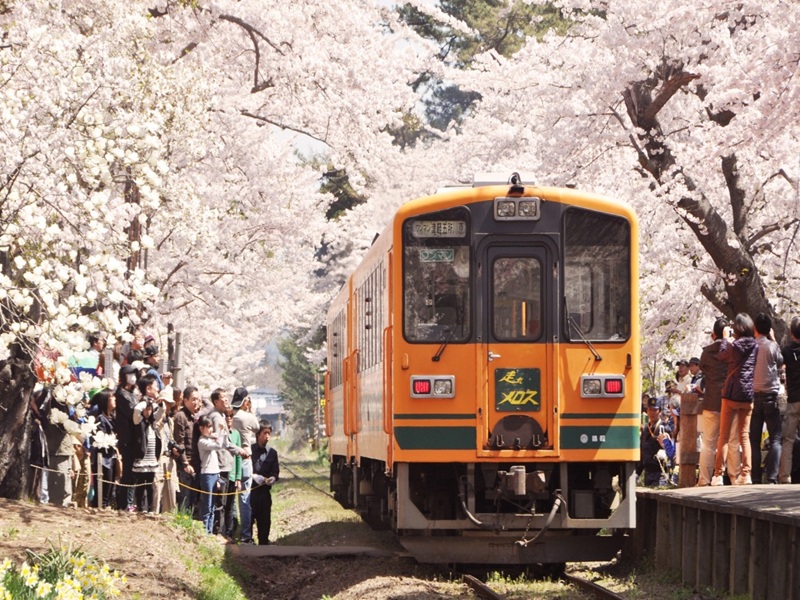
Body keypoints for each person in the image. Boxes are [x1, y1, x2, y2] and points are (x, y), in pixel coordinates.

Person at [711, 313, 758, 486]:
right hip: (747, 395)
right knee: (744, 436)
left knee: (723, 436)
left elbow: (722, 356)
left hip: (731, 394)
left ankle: (718, 475)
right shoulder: (755, 346)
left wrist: (725, 339)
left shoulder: (734, 346)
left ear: (737, 329)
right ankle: (746, 474)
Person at [697, 318, 741, 485]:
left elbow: (702, 367)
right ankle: (735, 477)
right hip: (730, 400)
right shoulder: (734, 351)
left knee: (708, 442)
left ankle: (704, 479)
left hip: (711, 402)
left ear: (713, 335)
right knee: (733, 440)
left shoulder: (707, 352)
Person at [196, 415, 249, 535]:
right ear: (201, 428)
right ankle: (205, 532)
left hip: (215, 474)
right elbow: (218, 446)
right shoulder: (202, 441)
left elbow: (224, 444)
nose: (211, 429)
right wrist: (220, 431)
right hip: (207, 474)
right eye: (208, 427)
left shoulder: (210, 439)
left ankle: (209, 532)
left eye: (211, 427)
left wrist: (224, 432)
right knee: (207, 506)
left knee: (212, 506)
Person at [750, 313, 783, 483]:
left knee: (754, 440)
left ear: (755, 328)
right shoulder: (772, 346)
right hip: (771, 395)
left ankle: (755, 477)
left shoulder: (751, 346)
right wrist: (774, 339)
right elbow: (781, 361)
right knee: (776, 439)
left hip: (754, 396)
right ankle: (772, 477)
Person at [132, 375, 164, 513]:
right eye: (147, 409)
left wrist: (159, 404)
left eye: (150, 409)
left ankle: (150, 508)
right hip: (141, 457)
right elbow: (137, 411)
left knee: (150, 485)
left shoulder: (152, 422)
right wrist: (145, 403)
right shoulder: (139, 421)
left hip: (151, 458)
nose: (149, 411)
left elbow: (160, 412)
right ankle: (140, 508)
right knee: (140, 484)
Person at [232, 386, 259, 543]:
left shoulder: (230, 415)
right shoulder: (246, 417)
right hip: (244, 460)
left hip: (230, 460)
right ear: (245, 400)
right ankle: (246, 535)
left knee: (230, 498)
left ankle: (231, 530)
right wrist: (250, 409)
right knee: (244, 498)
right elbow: (257, 428)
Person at [114, 364, 139, 511]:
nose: (133, 377)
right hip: (126, 438)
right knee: (127, 472)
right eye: (130, 374)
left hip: (134, 438)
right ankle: (124, 503)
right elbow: (132, 412)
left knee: (133, 473)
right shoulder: (121, 394)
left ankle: (130, 502)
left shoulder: (133, 394)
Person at [250, 421, 280, 544]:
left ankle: (263, 545)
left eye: (269, 433)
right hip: (251, 492)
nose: (267, 436)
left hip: (265, 493)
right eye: (264, 433)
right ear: (258, 434)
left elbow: (275, 472)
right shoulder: (250, 450)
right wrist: (254, 476)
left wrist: (273, 478)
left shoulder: (272, 453)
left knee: (265, 521)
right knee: (249, 519)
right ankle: (248, 542)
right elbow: (244, 469)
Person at [91, 388, 120, 509]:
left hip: (111, 457)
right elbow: (100, 438)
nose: (114, 399)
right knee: (103, 488)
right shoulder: (100, 419)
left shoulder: (113, 418)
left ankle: (106, 506)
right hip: (103, 459)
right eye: (112, 397)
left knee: (110, 486)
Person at [174, 385, 201, 512]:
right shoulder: (181, 416)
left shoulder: (193, 416)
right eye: (193, 399)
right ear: (185, 400)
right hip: (185, 464)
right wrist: (185, 463)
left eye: (198, 399)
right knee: (185, 498)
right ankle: (182, 520)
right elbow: (180, 442)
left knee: (192, 499)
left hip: (195, 462)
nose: (196, 402)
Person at [780, 317, 800, 483]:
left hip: (793, 399)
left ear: (791, 333)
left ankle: (785, 476)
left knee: (788, 439)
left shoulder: (786, 351)